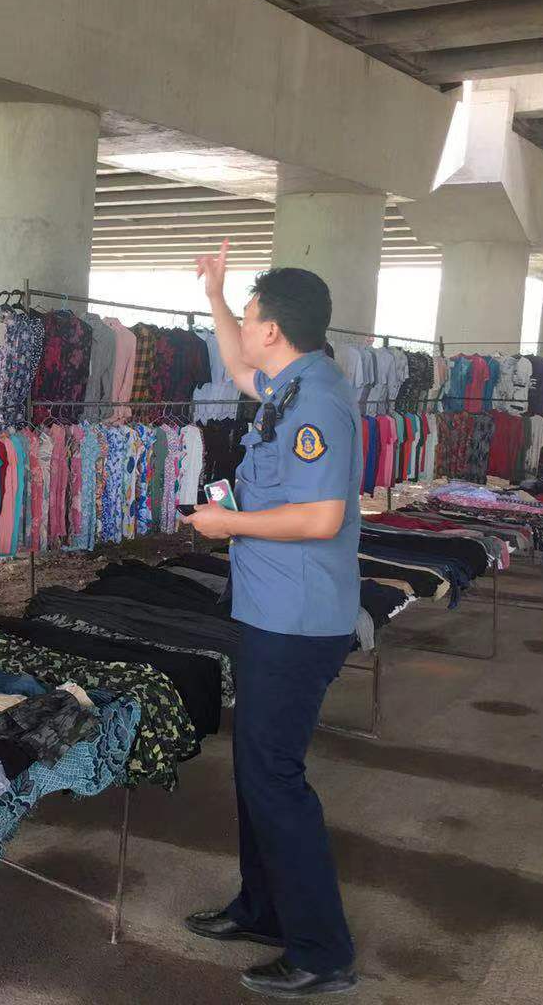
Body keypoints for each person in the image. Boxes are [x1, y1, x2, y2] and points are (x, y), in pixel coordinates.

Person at [182, 240, 362, 998]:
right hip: (273, 610)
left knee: (275, 778)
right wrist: (218, 294)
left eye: (249, 315)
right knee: (257, 773)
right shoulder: (292, 382)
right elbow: (235, 365)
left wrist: (228, 525)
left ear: (275, 330)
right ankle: (262, 909)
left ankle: (322, 951)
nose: (243, 328)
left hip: (297, 620)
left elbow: (321, 517)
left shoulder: (314, 402)